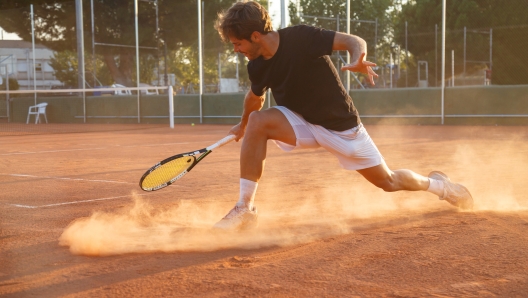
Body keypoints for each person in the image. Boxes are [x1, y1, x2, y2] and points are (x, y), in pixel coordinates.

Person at [212, 1, 473, 231]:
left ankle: (441, 186)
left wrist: (358, 57)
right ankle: (244, 209)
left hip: (341, 127)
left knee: (389, 181)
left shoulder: (301, 37)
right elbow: (255, 97)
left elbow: (352, 40)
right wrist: (244, 124)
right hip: (301, 121)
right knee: (259, 121)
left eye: (238, 43)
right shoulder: (256, 65)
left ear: (256, 35)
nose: (236, 49)